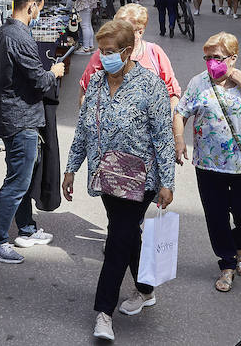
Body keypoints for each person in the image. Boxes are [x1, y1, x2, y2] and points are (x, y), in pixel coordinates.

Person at [63, 20, 176, 342]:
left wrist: (167, 181)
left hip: (141, 179)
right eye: (101, 50)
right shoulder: (97, 82)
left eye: (110, 51)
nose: (103, 56)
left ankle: (103, 312)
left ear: (128, 51)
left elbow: (163, 137)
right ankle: (145, 288)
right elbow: (83, 129)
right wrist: (71, 169)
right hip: (107, 177)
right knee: (128, 236)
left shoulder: (150, 85)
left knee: (117, 240)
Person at [0, 0, 68, 263]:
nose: (38, 15)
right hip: (20, 119)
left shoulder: (1, 34)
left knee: (21, 177)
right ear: (31, 5)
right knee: (18, 182)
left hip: (12, 116)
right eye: (38, 10)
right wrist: (54, 71)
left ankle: (27, 229)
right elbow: (39, 80)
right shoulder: (18, 36)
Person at [176, 32, 241, 292]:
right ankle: (227, 263)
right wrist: (179, 139)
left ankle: (239, 245)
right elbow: (180, 111)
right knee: (216, 217)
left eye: (216, 58)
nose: (210, 63)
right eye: (207, 57)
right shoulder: (198, 82)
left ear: (232, 58)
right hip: (208, 164)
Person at [79, 3, 184, 163]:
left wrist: (173, 136)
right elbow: (85, 93)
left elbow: (173, 95)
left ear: (139, 32)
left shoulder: (154, 53)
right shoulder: (102, 55)